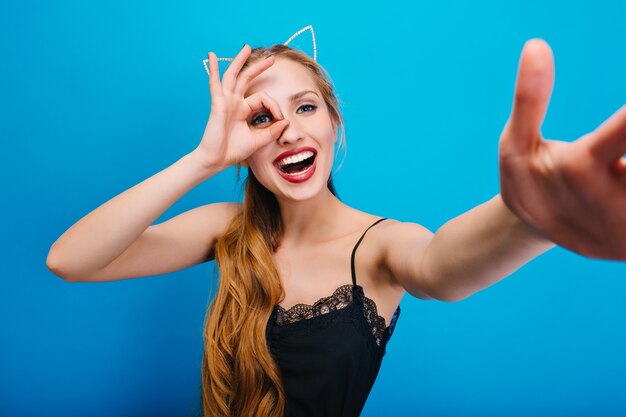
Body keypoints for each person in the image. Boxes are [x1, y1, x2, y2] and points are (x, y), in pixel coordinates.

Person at [46, 28, 626, 417]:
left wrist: (528, 219)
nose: (289, 131)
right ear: (240, 144)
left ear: (333, 123)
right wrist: (203, 159)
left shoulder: (377, 246)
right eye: (261, 118)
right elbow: (70, 260)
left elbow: (440, 268)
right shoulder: (225, 227)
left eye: (305, 107)